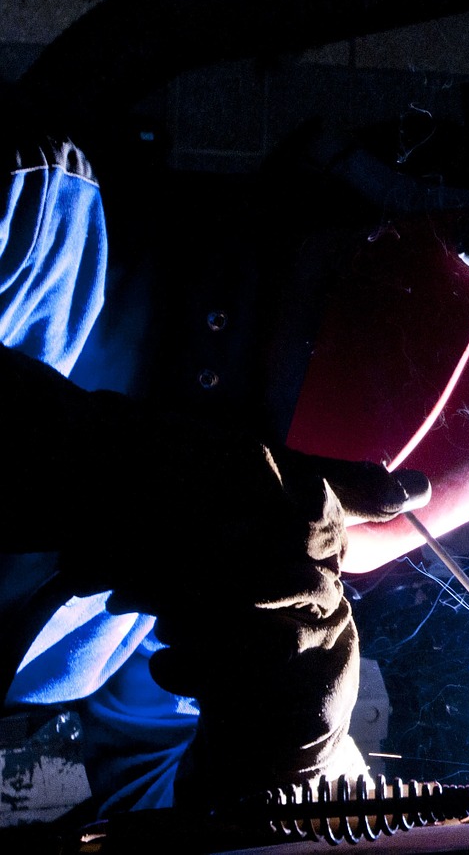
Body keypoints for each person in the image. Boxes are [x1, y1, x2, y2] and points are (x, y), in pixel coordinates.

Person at [0, 126, 430, 815]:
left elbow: (148, 796)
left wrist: (288, 764)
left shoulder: (191, 589)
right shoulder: (30, 222)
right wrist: (108, 466)